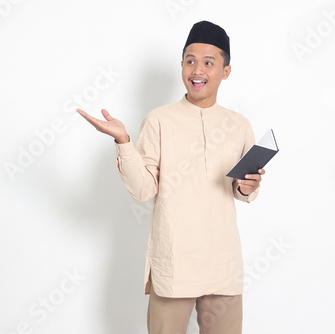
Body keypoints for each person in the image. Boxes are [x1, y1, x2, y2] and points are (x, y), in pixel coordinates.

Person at [76, 20, 265, 334]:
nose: (197, 70)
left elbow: (243, 188)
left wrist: (248, 186)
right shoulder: (159, 120)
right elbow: (143, 189)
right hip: (174, 264)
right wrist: (123, 141)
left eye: (208, 62)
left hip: (223, 265)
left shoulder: (239, 125)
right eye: (190, 61)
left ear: (226, 71)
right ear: (181, 65)